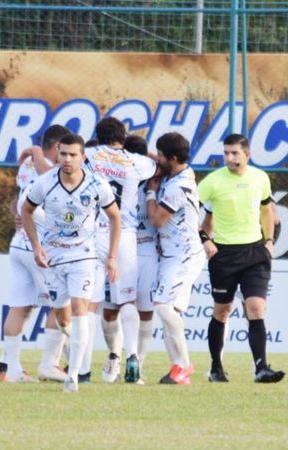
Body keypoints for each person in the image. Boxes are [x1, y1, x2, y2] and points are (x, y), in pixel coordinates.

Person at [22, 133, 121, 393]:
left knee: (81, 311)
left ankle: (74, 376)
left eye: (73, 154)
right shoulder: (45, 183)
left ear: (83, 157)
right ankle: (74, 348)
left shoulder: (97, 184)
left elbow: (115, 218)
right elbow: (26, 211)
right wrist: (36, 247)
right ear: (57, 153)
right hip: (54, 257)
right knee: (64, 320)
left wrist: (111, 257)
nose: (67, 159)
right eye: (63, 154)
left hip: (84, 256)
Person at [198, 133, 285, 383]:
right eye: (226, 153)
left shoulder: (260, 178)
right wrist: (205, 238)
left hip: (255, 253)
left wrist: (269, 241)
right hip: (224, 255)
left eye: (235, 153)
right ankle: (216, 367)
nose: (229, 158)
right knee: (222, 311)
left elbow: (267, 210)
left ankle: (261, 368)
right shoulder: (212, 182)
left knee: (256, 308)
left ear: (247, 155)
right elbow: (188, 209)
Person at [0, 124, 70, 383]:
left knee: (20, 307)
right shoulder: (50, 168)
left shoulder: (26, 166)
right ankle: (50, 364)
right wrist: (36, 151)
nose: (68, 158)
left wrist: (17, 214)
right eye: (64, 151)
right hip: (39, 247)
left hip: (19, 244)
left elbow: (19, 199)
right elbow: (47, 176)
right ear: (57, 147)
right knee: (61, 306)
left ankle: (9, 369)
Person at [85, 117, 158, 384]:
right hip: (124, 234)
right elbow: (155, 162)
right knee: (128, 301)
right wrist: (128, 150)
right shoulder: (137, 161)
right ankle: (132, 357)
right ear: (123, 137)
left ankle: (84, 365)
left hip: (92, 231)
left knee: (91, 301)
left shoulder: (89, 154)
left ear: (98, 135)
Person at [145, 132, 206, 384]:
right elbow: (155, 159)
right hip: (172, 255)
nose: (156, 159)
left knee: (162, 305)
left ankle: (184, 365)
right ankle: (177, 369)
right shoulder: (175, 175)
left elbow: (158, 220)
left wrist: (150, 193)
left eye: (160, 155)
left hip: (185, 254)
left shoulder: (180, 185)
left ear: (172, 157)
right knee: (170, 313)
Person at [124, 134, 156, 381]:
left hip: (124, 247)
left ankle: (123, 357)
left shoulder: (116, 176)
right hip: (147, 251)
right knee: (146, 311)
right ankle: (138, 365)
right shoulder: (157, 179)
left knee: (123, 305)